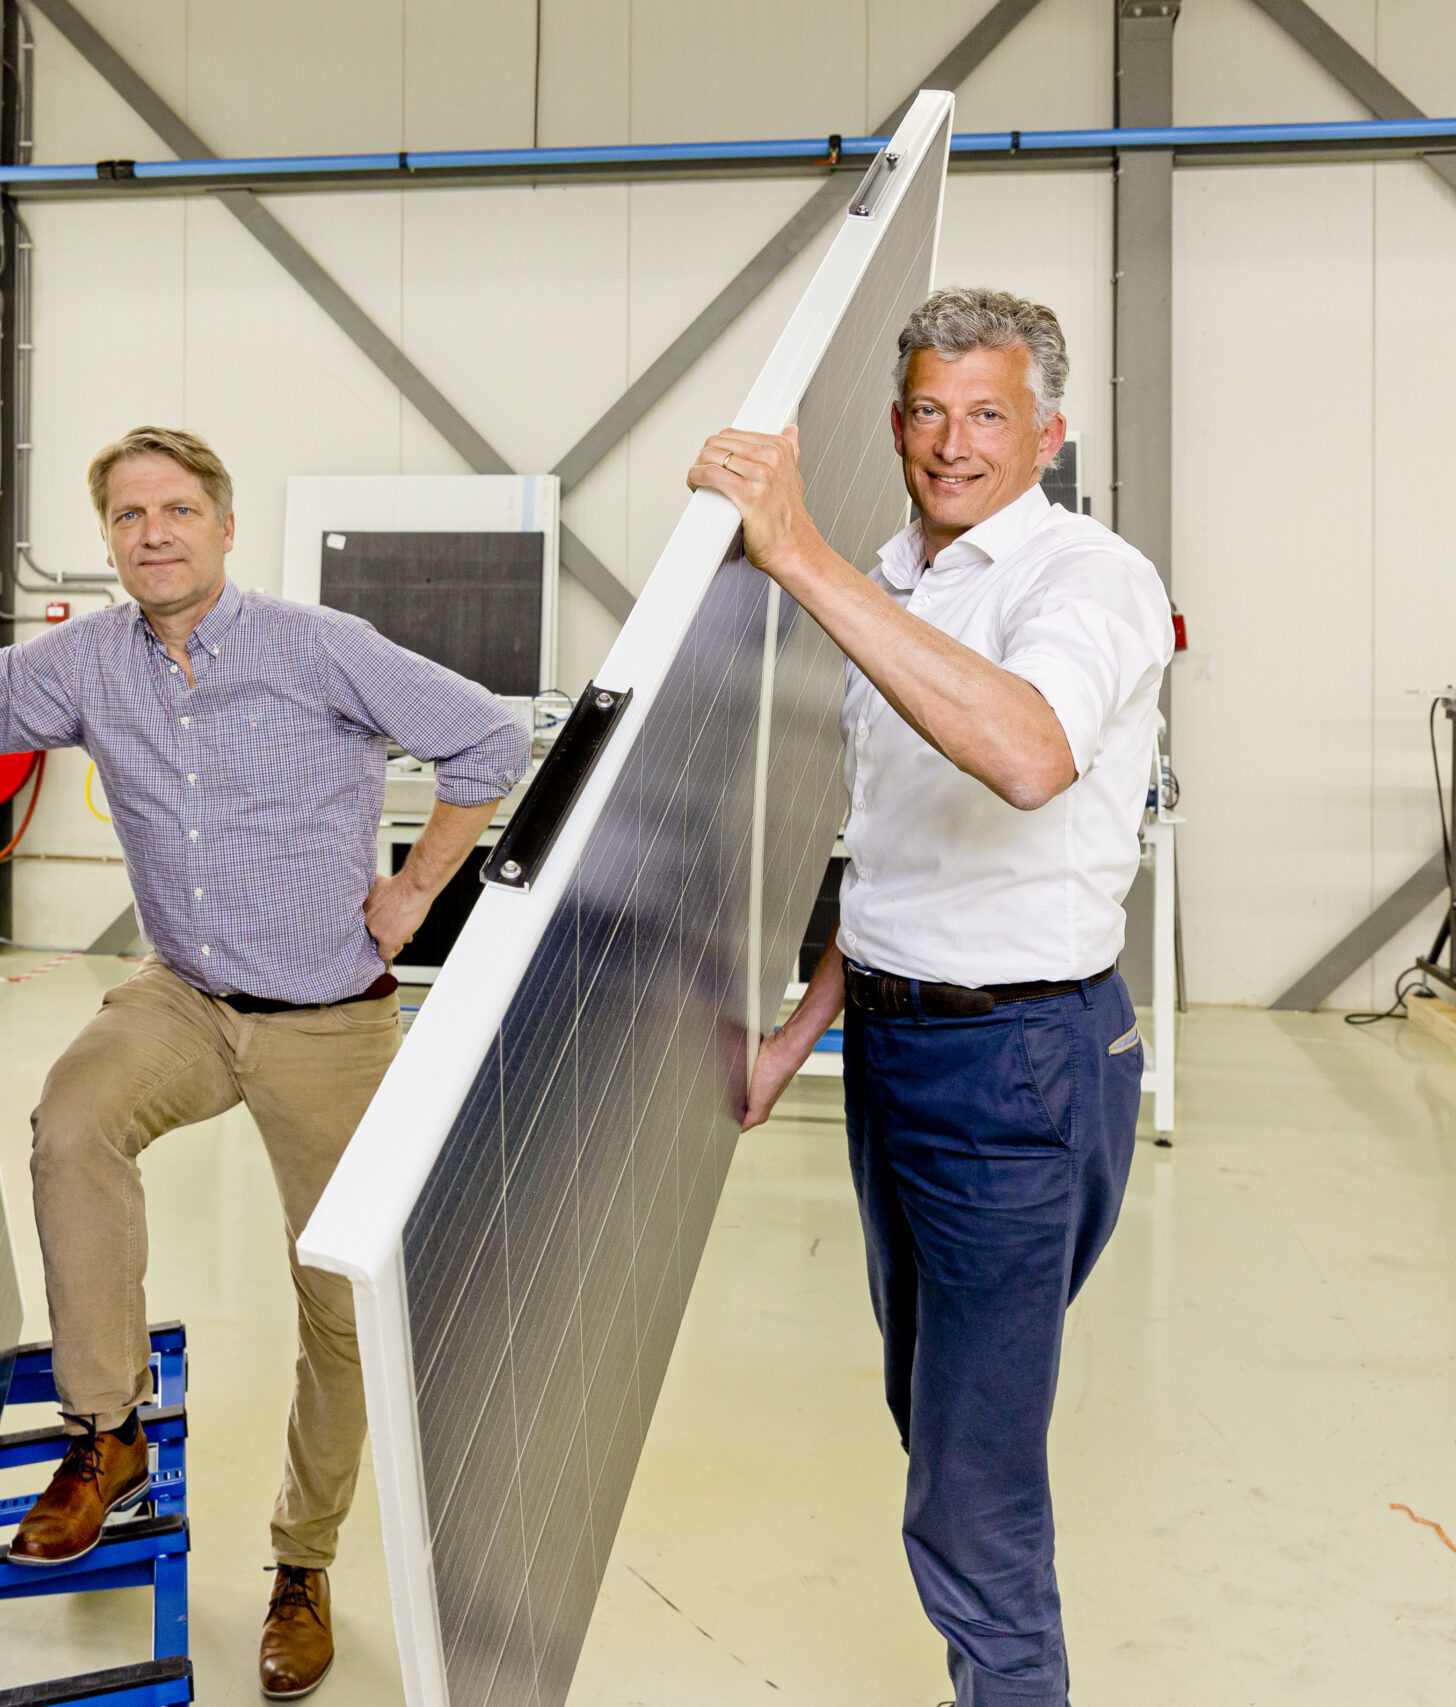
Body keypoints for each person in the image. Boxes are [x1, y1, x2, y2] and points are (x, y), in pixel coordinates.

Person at [0, 426, 528, 1700]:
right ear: (107, 540)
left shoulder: (323, 647)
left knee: (342, 1304)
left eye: (179, 509)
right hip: (181, 996)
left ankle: (300, 1566)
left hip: (329, 1016)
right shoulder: (87, 660)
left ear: (223, 525)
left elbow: (483, 742)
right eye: (130, 514)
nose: (155, 532)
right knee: (71, 1123)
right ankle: (108, 1430)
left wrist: (418, 888)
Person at [690, 287, 1173, 1706]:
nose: (951, 442)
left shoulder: (1087, 579)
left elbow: (1025, 754)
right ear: (894, 418)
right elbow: (895, 850)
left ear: (1048, 430)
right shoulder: (903, 577)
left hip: (1020, 1060)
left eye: (987, 413)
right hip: (900, 1043)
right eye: (926, 409)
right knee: (933, 1412)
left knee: (968, 1482)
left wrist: (800, 557)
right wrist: (798, 1032)